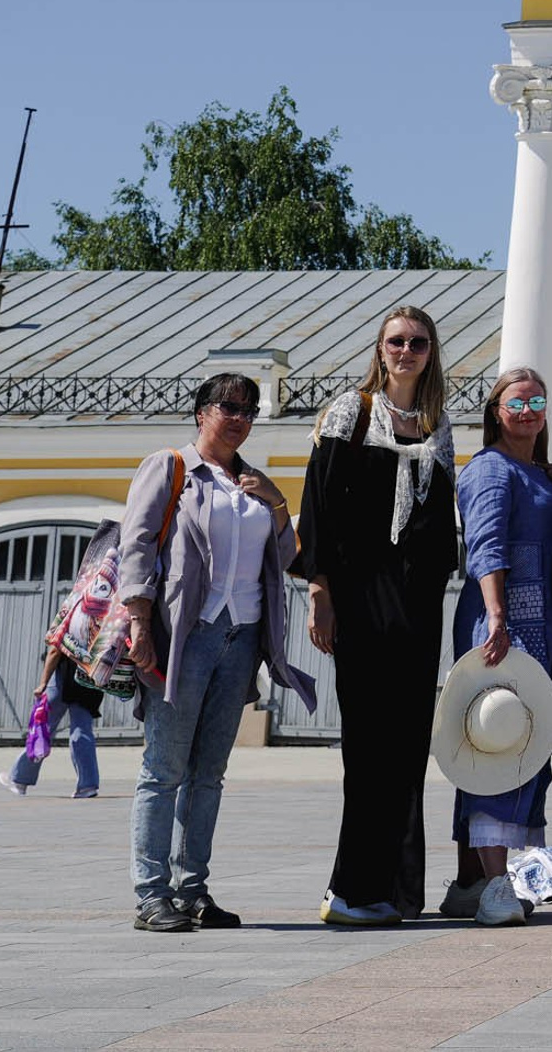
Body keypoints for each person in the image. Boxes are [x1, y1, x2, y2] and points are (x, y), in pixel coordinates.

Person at [118, 373, 315, 932]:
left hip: (241, 637)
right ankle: (152, 895)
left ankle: (193, 889)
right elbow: (136, 542)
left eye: (249, 409)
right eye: (227, 407)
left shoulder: (254, 482)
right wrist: (139, 622)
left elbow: (284, 557)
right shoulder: (171, 468)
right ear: (201, 412)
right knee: (164, 768)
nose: (239, 418)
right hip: (187, 634)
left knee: (209, 774)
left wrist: (277, 505)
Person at [296, 304, 460, 927]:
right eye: (397, 341)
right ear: (380, 348)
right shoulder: (350, 411)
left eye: (418, 342)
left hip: (416, 607)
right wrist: (321, 591)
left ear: (431, 351)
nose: (407, 350)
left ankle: (394, 889)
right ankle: (349, 889)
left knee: (407, 746)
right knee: (367, 747)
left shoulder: (437, 424)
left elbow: (441, 521)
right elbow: (319, 507)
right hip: (361, 598)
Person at [445, 365, 552, 927]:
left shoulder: (544, 473)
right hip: (499, 627)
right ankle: (496, 884)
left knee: (523, 745)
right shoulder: (490, 470)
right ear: (496, 411)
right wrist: (496, 615)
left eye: (536, 401)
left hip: (538, 627)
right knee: (496, 742)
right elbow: (486, 546)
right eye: (516, 402)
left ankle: (475, 882)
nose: (527, 410)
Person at [0, 643, 104, 801]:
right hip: (92, 676)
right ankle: (87, 785)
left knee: (43, 727)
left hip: (64, 674)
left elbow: (55, 648)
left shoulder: (68, 617)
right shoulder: (105, 618)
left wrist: (43, 682)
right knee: (81, 730)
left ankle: (20, 779)